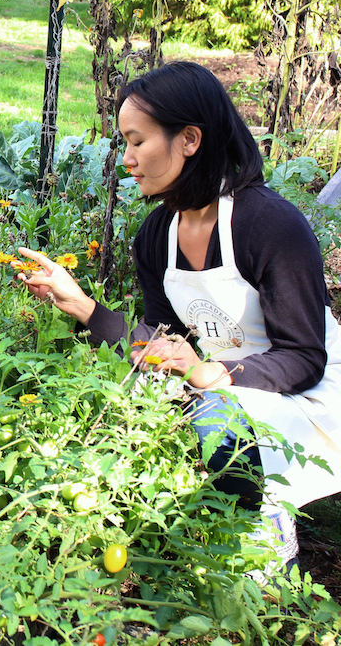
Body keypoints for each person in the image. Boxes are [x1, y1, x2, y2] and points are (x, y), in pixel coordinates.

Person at [19, 61, 341, 571]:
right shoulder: (156, 236)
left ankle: (262, 527)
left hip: (308, 395)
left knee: (214, 420)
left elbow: (304, 356)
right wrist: (81, 305)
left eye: (137, 141)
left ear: (189, 139)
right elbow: (162, 339)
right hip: (223, 384)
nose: (127, 159)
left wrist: (215, 373)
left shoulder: (270, 225)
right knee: (128, 397)